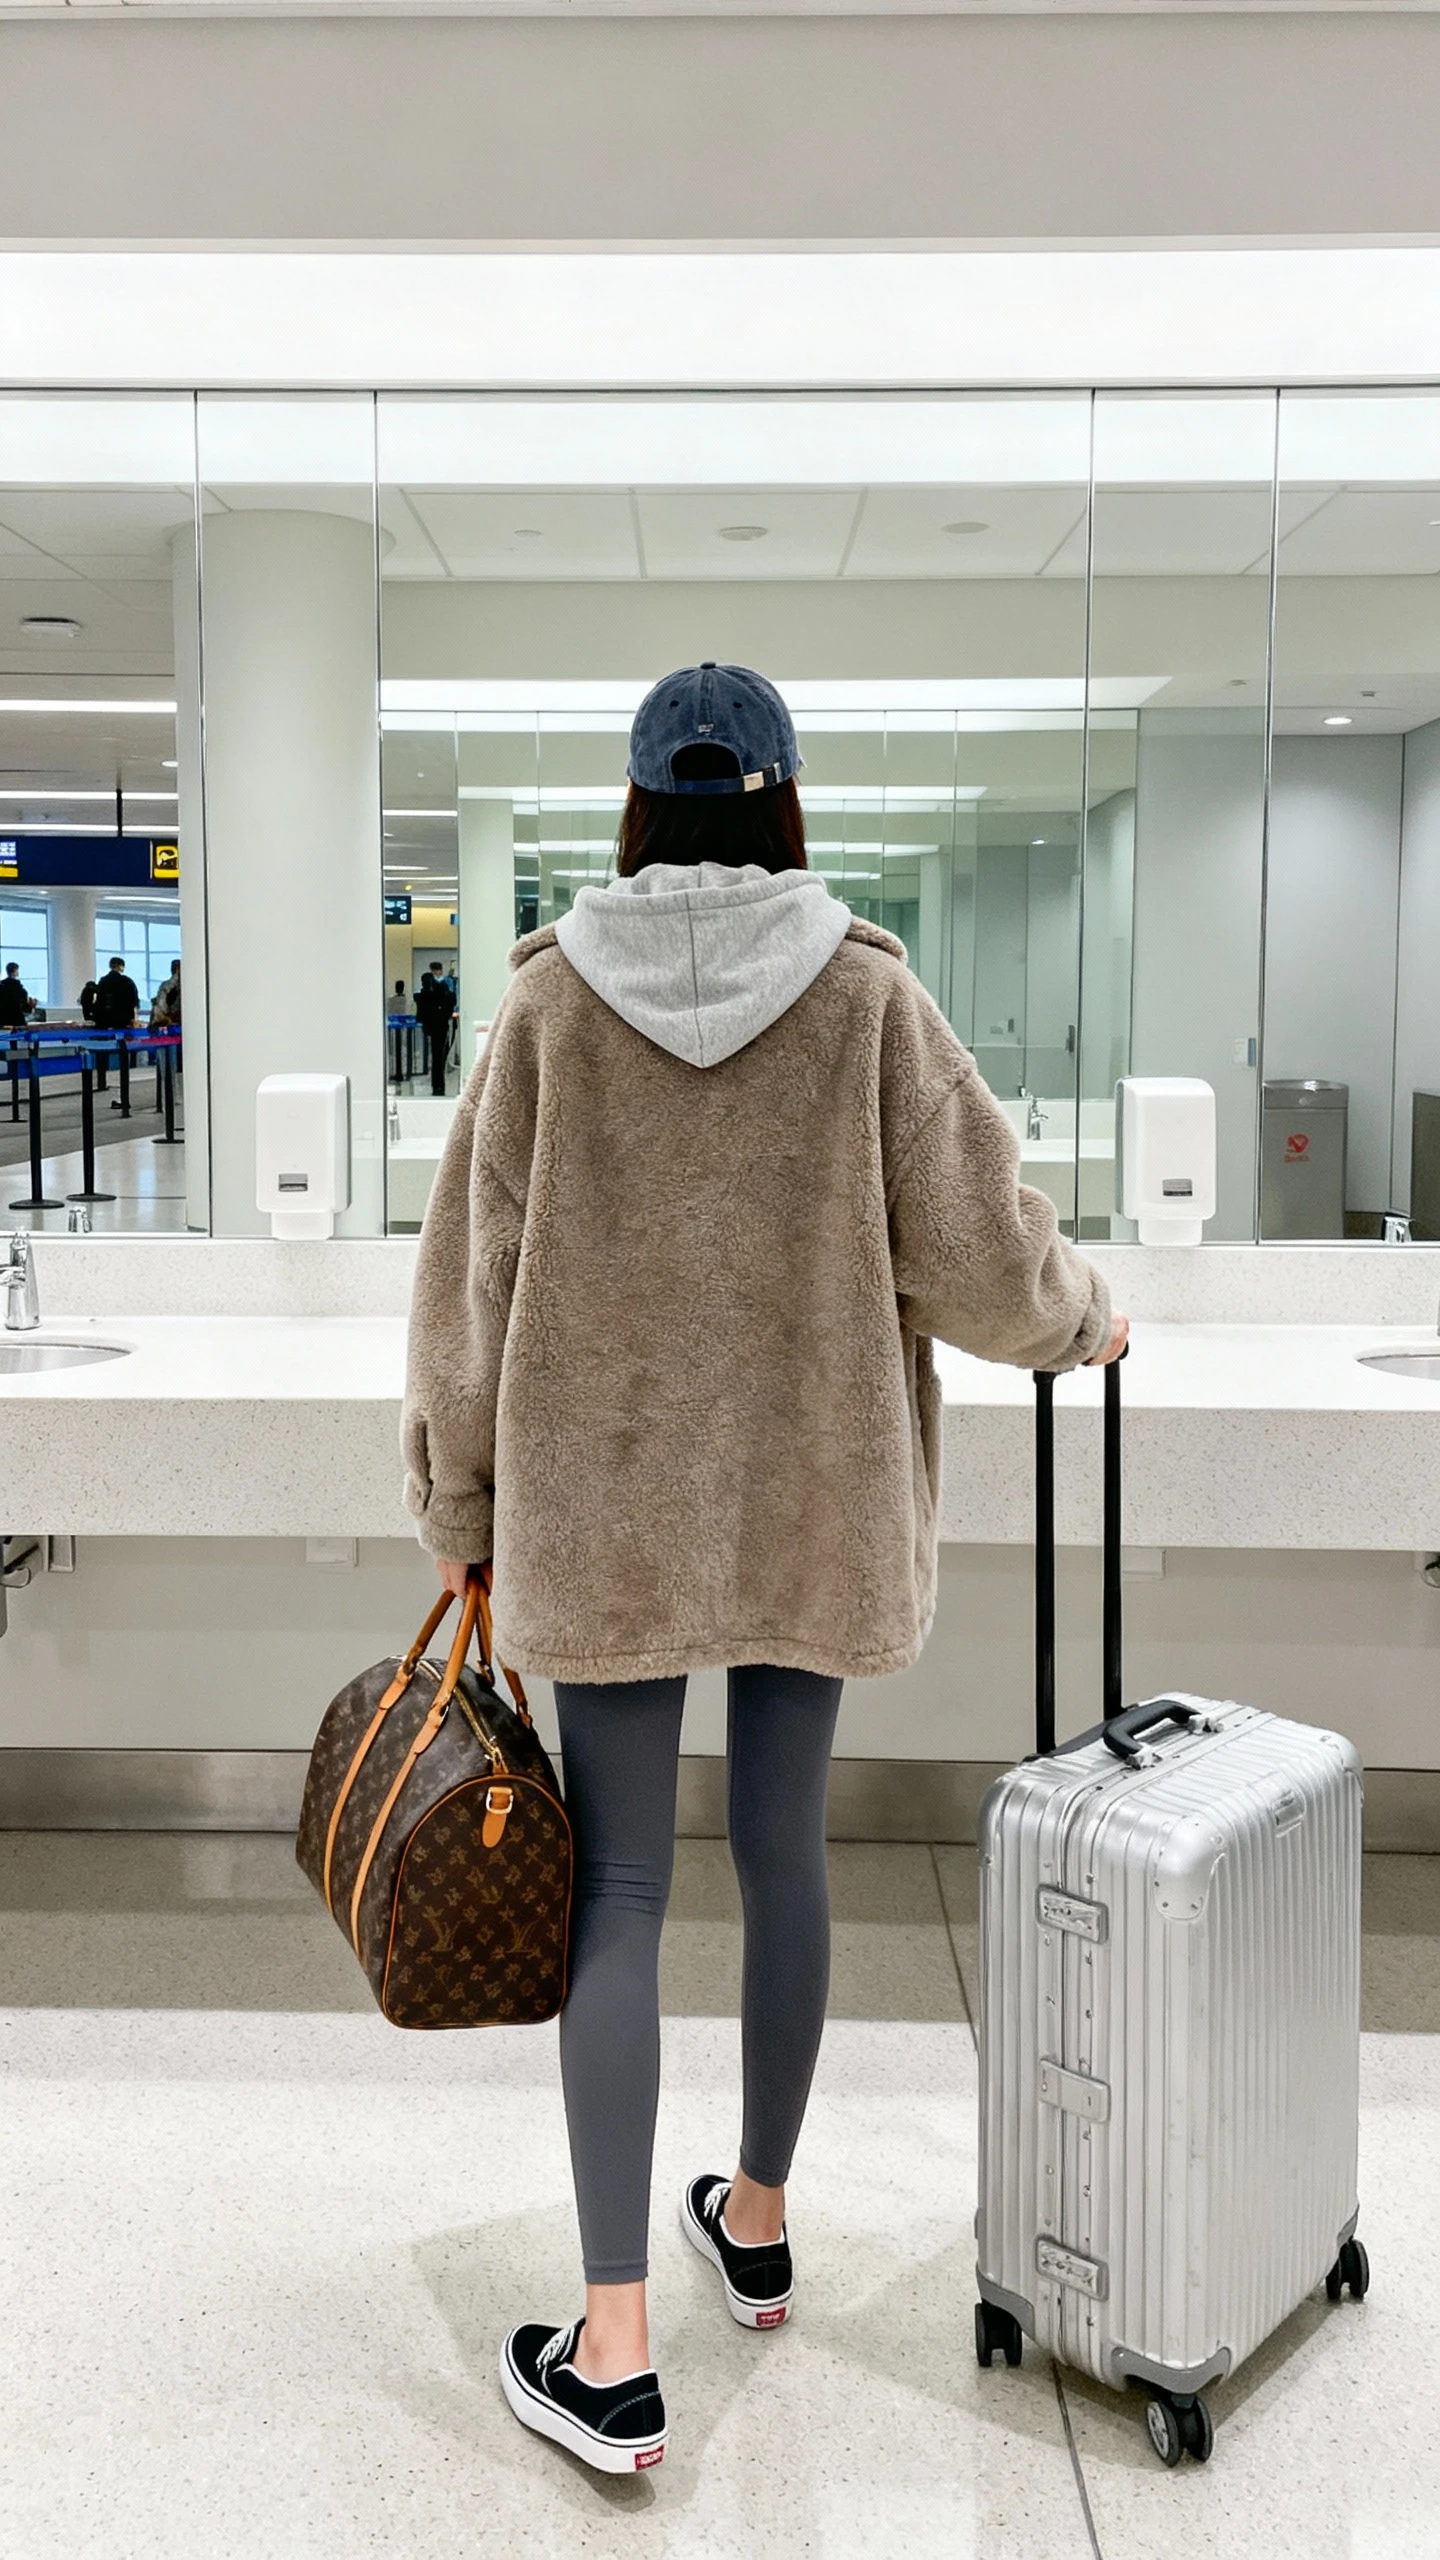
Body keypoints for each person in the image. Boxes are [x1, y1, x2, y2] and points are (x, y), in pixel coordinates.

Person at [401, 662, 1127, 2478]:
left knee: (621, 1890)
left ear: (640, 808)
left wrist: (461, 1507)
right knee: (784, 1851)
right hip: (813, 1490)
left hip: (606, 1506)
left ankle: (615, 2349)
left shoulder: (548, 1007)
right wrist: (1088, 1320)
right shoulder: (868, 998)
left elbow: (468, 1294)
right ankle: (761, 2220)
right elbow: (985, 1249)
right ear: (785, 805)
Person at [414, 961, 456, 1097]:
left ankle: (437, 1084)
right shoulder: (439, 990)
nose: (438, 973)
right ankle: (438, 1085)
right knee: (438, 1056)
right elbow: (449, 1003)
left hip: (433, 1026)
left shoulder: (428, 993)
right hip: (439, 1026)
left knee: (437, 1056)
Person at [0, 961, 31, 1027]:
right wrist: (31, 1006)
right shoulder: (21, 990)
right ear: (14, 971)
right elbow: (25, 1009)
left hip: (2, 1022)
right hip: (17, 1022)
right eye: (17, 970)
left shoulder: (1, 987)